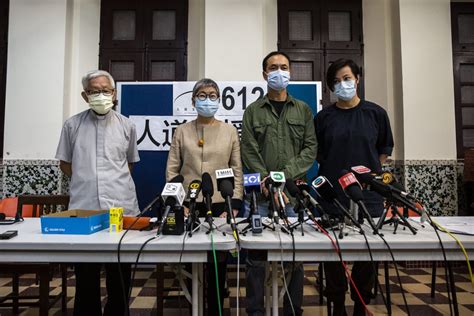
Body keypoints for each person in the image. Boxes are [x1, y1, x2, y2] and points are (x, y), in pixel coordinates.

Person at [55, 70, 140, 316]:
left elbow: (129, 163)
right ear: (85, 95)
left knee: (119, 276)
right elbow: (65, 163)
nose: (101, 95)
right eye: (94, 91)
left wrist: (110, 181)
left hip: (119, 207)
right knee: (85, 275)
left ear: (114, 94)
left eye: (106, 90)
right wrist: (88, 180)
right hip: (84, 209)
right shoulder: (72, 125)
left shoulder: (127, 125)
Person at [314, 58, 394, 316]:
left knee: (368, 253)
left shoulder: (376, 113)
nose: (342, 84)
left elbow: (383, 151)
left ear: (357, 79)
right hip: (332, 197)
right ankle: (337, 303)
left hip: (368, 197)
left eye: (347, 78)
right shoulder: (323, 117)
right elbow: (318, 154)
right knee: (332, 253)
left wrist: (368, 175)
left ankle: (361, 302)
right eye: (336, 81)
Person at [241, 51, 318, 316]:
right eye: (273, 67)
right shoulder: (252, 112)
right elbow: (248, 150)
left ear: (290, 72)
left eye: (283, 67)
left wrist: (281, 178)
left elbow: (310, 149)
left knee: (295, 258)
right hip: (261, 198)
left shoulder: (303, 110)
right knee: (255, 260)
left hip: (293, 197)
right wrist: (267, 180)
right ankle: (255, 311)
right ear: (264, 74)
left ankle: (293, 310)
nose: (279, 71)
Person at [166, 78, 243, 316]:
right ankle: (195, 305)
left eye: (212, 95)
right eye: (202, 95)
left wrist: (236, 202)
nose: (207, 99)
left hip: (220, 203)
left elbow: (237, 169)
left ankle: (216, 306)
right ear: (193, 100)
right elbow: (172, 170)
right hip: (189, 204)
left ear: (219, 100)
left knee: (217, 264)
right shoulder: (181, 130)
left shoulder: (230, 131)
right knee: (192, 262)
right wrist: (178, 204)